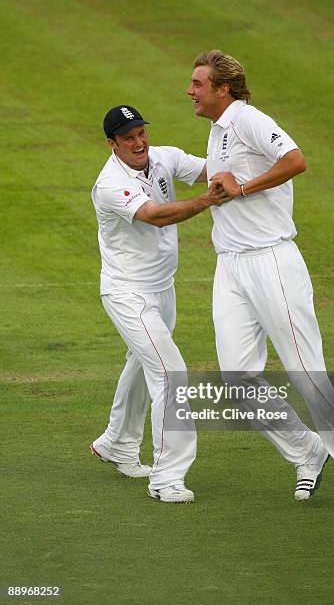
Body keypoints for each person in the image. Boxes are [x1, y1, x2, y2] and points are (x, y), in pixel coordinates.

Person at [186, 50, 334, 512]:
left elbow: (295, 160)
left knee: (305, 370)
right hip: (230, 265)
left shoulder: (249, 119)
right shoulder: (217, 130)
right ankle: (306, 450)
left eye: (197, 83)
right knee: (236, 377)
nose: (189, 90)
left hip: (271, 261)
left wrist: (244, 189)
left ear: (222, 88)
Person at [90, 104, 231, 503]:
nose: (139, 143)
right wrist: (209, 200)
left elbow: (211, 168)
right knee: (171, 372)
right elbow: (155, 216)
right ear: (112, 144)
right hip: (127, 293)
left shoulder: (163, 157)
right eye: (128, 138)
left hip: (161, 289)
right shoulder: (110, 184)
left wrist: (253, 167)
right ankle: (166, 478)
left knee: (141, 363)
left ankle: (117, 442)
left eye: (141, 134)